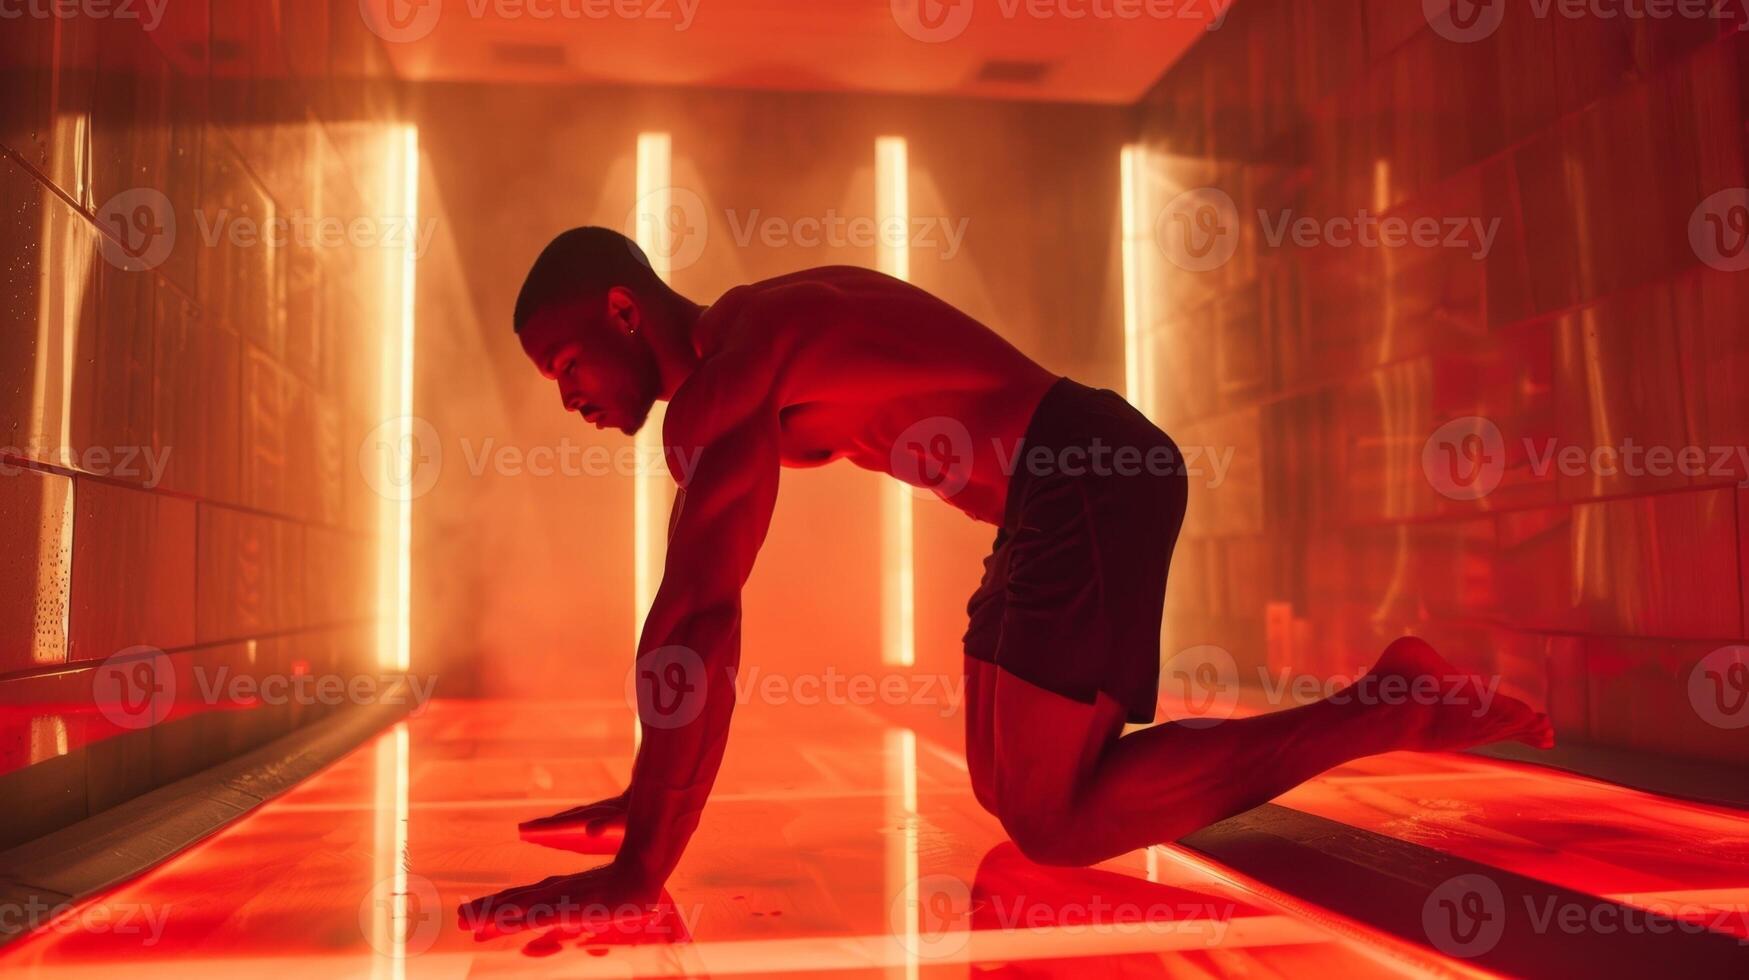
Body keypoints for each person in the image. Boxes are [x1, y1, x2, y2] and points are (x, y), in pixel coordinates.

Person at [458, 227, 1553, 936]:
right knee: (1010, 794)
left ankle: (1388, 705)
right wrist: (645, 800)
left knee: (1051, 818)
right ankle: (1389, 700)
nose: (571, 399)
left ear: (620, 310)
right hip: (1054, 492)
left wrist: (644, 859)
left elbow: (699, 611)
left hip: (1081, 468)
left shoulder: (736, 366)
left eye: (566, 369)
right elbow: (699, 606)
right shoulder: (755, 330)